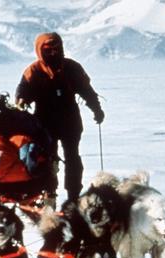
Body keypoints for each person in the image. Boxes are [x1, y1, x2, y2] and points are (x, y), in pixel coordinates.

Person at [15, 32, 105, 201]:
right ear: (40, 51)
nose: (53, 53)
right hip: (44, 122)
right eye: (48, 50)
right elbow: (22, 93)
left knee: (73, 158)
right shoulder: (33, 71)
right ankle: (50, 193)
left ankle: (73, 195)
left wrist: (97, 109)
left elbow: (87, 91)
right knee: (48, 159)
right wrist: (21, 104)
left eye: (57, 49)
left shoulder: (72, 68)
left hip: (70, 121)